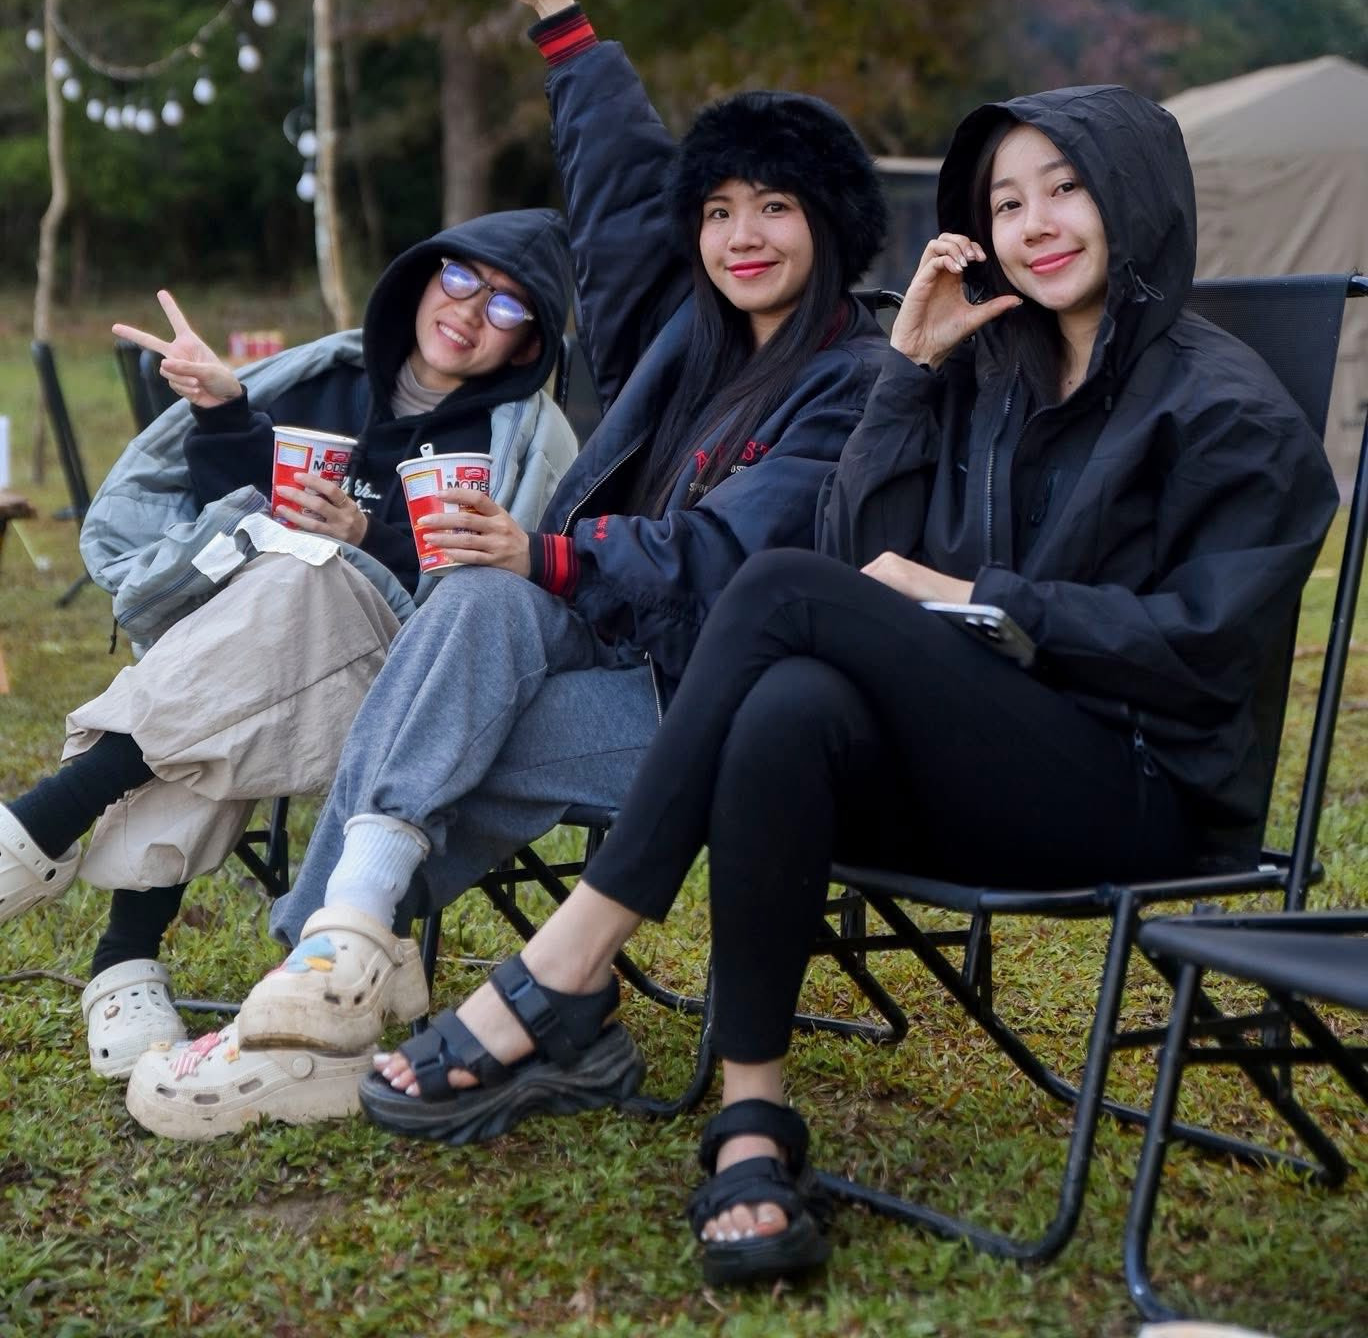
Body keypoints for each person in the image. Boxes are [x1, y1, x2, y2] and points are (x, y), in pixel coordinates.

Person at [349, 84, 1338, 1288]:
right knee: (788, 705)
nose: (1035, 223)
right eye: (1007, 202)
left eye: (1066, 188)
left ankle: (566, 965)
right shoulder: (989, 374)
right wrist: (909, 371)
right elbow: (854, 548)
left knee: (774, 588)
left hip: (1137, 787)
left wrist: (979, 596)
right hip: (978, 763)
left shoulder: (1229, 408)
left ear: (1133, 197)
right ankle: (752, 1124)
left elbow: (1206, 647)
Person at [124, 0, 892, 1138]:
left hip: (712, 703)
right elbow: (620, 187)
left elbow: (731, 554)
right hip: (607, 643)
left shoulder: (853, 376)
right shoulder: (682, 333)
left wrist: (552, 553)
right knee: (473, 606)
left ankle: (316, 998)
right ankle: (338, 964)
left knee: (436, 734)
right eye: (718, 210)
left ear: (830, 224)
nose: (740, 234)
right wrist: (560, 21)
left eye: (775, 207)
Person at [0, 209, 576, 1083]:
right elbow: (217, 511)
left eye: (505, 306)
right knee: (269, 619)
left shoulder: (517, 441)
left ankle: (61, 839)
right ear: (426, 276)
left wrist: (368, 539)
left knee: (303, 584)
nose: (469, 309)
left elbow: (495, 599)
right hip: (259, 664)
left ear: (528, 342)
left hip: (397, 686)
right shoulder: (325, 381)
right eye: (462, 279)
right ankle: (120, 964)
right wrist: (224, 412)